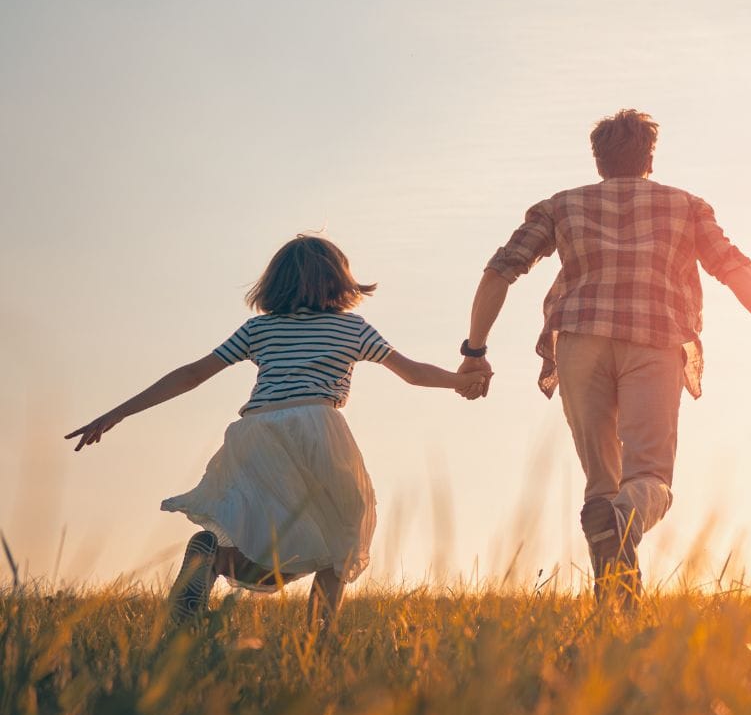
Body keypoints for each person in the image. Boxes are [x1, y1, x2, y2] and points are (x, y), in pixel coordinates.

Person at [64, 235, 484, 628]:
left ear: (274, 283)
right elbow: (412, 373)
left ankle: (211, 559)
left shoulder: (259, 329)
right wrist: (462, 380)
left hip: (256, 431)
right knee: (343, 532)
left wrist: (117, 412)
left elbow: (192, 374)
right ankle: (318, 638)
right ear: (339, 279)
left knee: (263, 530)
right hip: (317, 426)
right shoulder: (351, 328)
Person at [462, 109, 751, 600]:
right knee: (650, 477)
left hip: (580, 341)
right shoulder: (686, 206)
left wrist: (475, 350)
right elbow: (735, 270)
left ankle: (617, 603)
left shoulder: (560, 206)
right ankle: (621, 528)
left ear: (598, 161)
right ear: (650, 159)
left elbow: (499, 271)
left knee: (603, 480)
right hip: (654, 338)